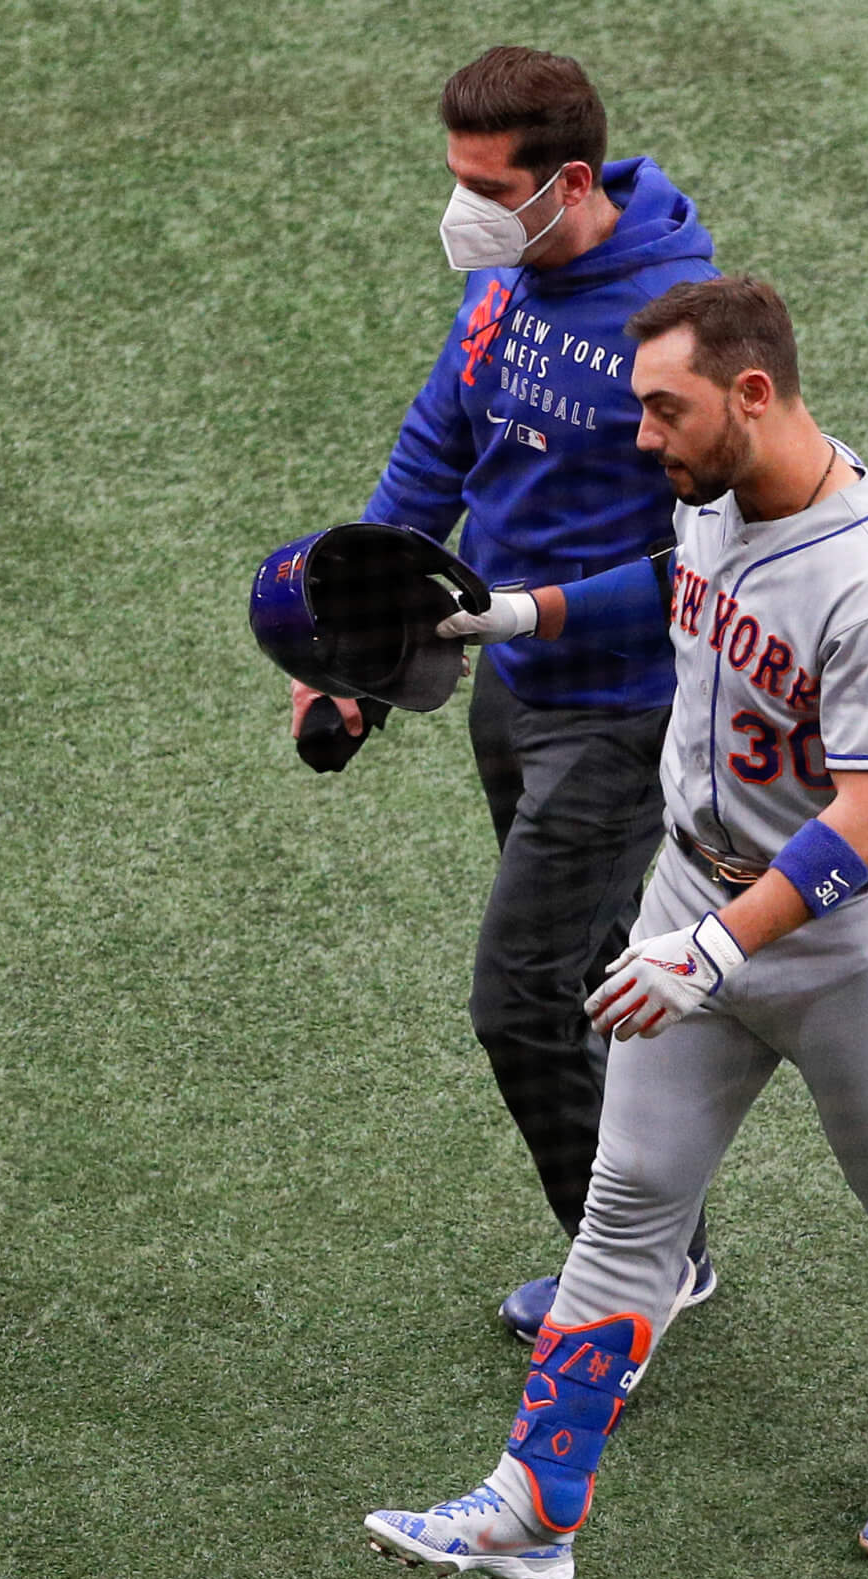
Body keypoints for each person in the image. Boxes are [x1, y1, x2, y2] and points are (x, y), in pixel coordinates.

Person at [362, 276, 868, 1579]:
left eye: (665, 410)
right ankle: (532, 1505)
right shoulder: (724, 499)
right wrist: (526, 615)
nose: (643, 438)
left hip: (851, 948)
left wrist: (718, 952)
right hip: (695, 904)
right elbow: (682, 578)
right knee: (625, 1209)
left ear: (749, 394)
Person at [292, 47, 723, 1339]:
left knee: (522, 996)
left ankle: (630, 1279)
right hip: (510, 687)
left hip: (625, 711)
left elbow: (702, 560)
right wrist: (351, 648)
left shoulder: (675, 329)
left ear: (570, 180)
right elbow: (441, 441)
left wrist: (530, 612)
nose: (464, 210)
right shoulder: (504, 283)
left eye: (488, 184)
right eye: (457, 178)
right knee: (586, 975)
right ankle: (667, 1242)